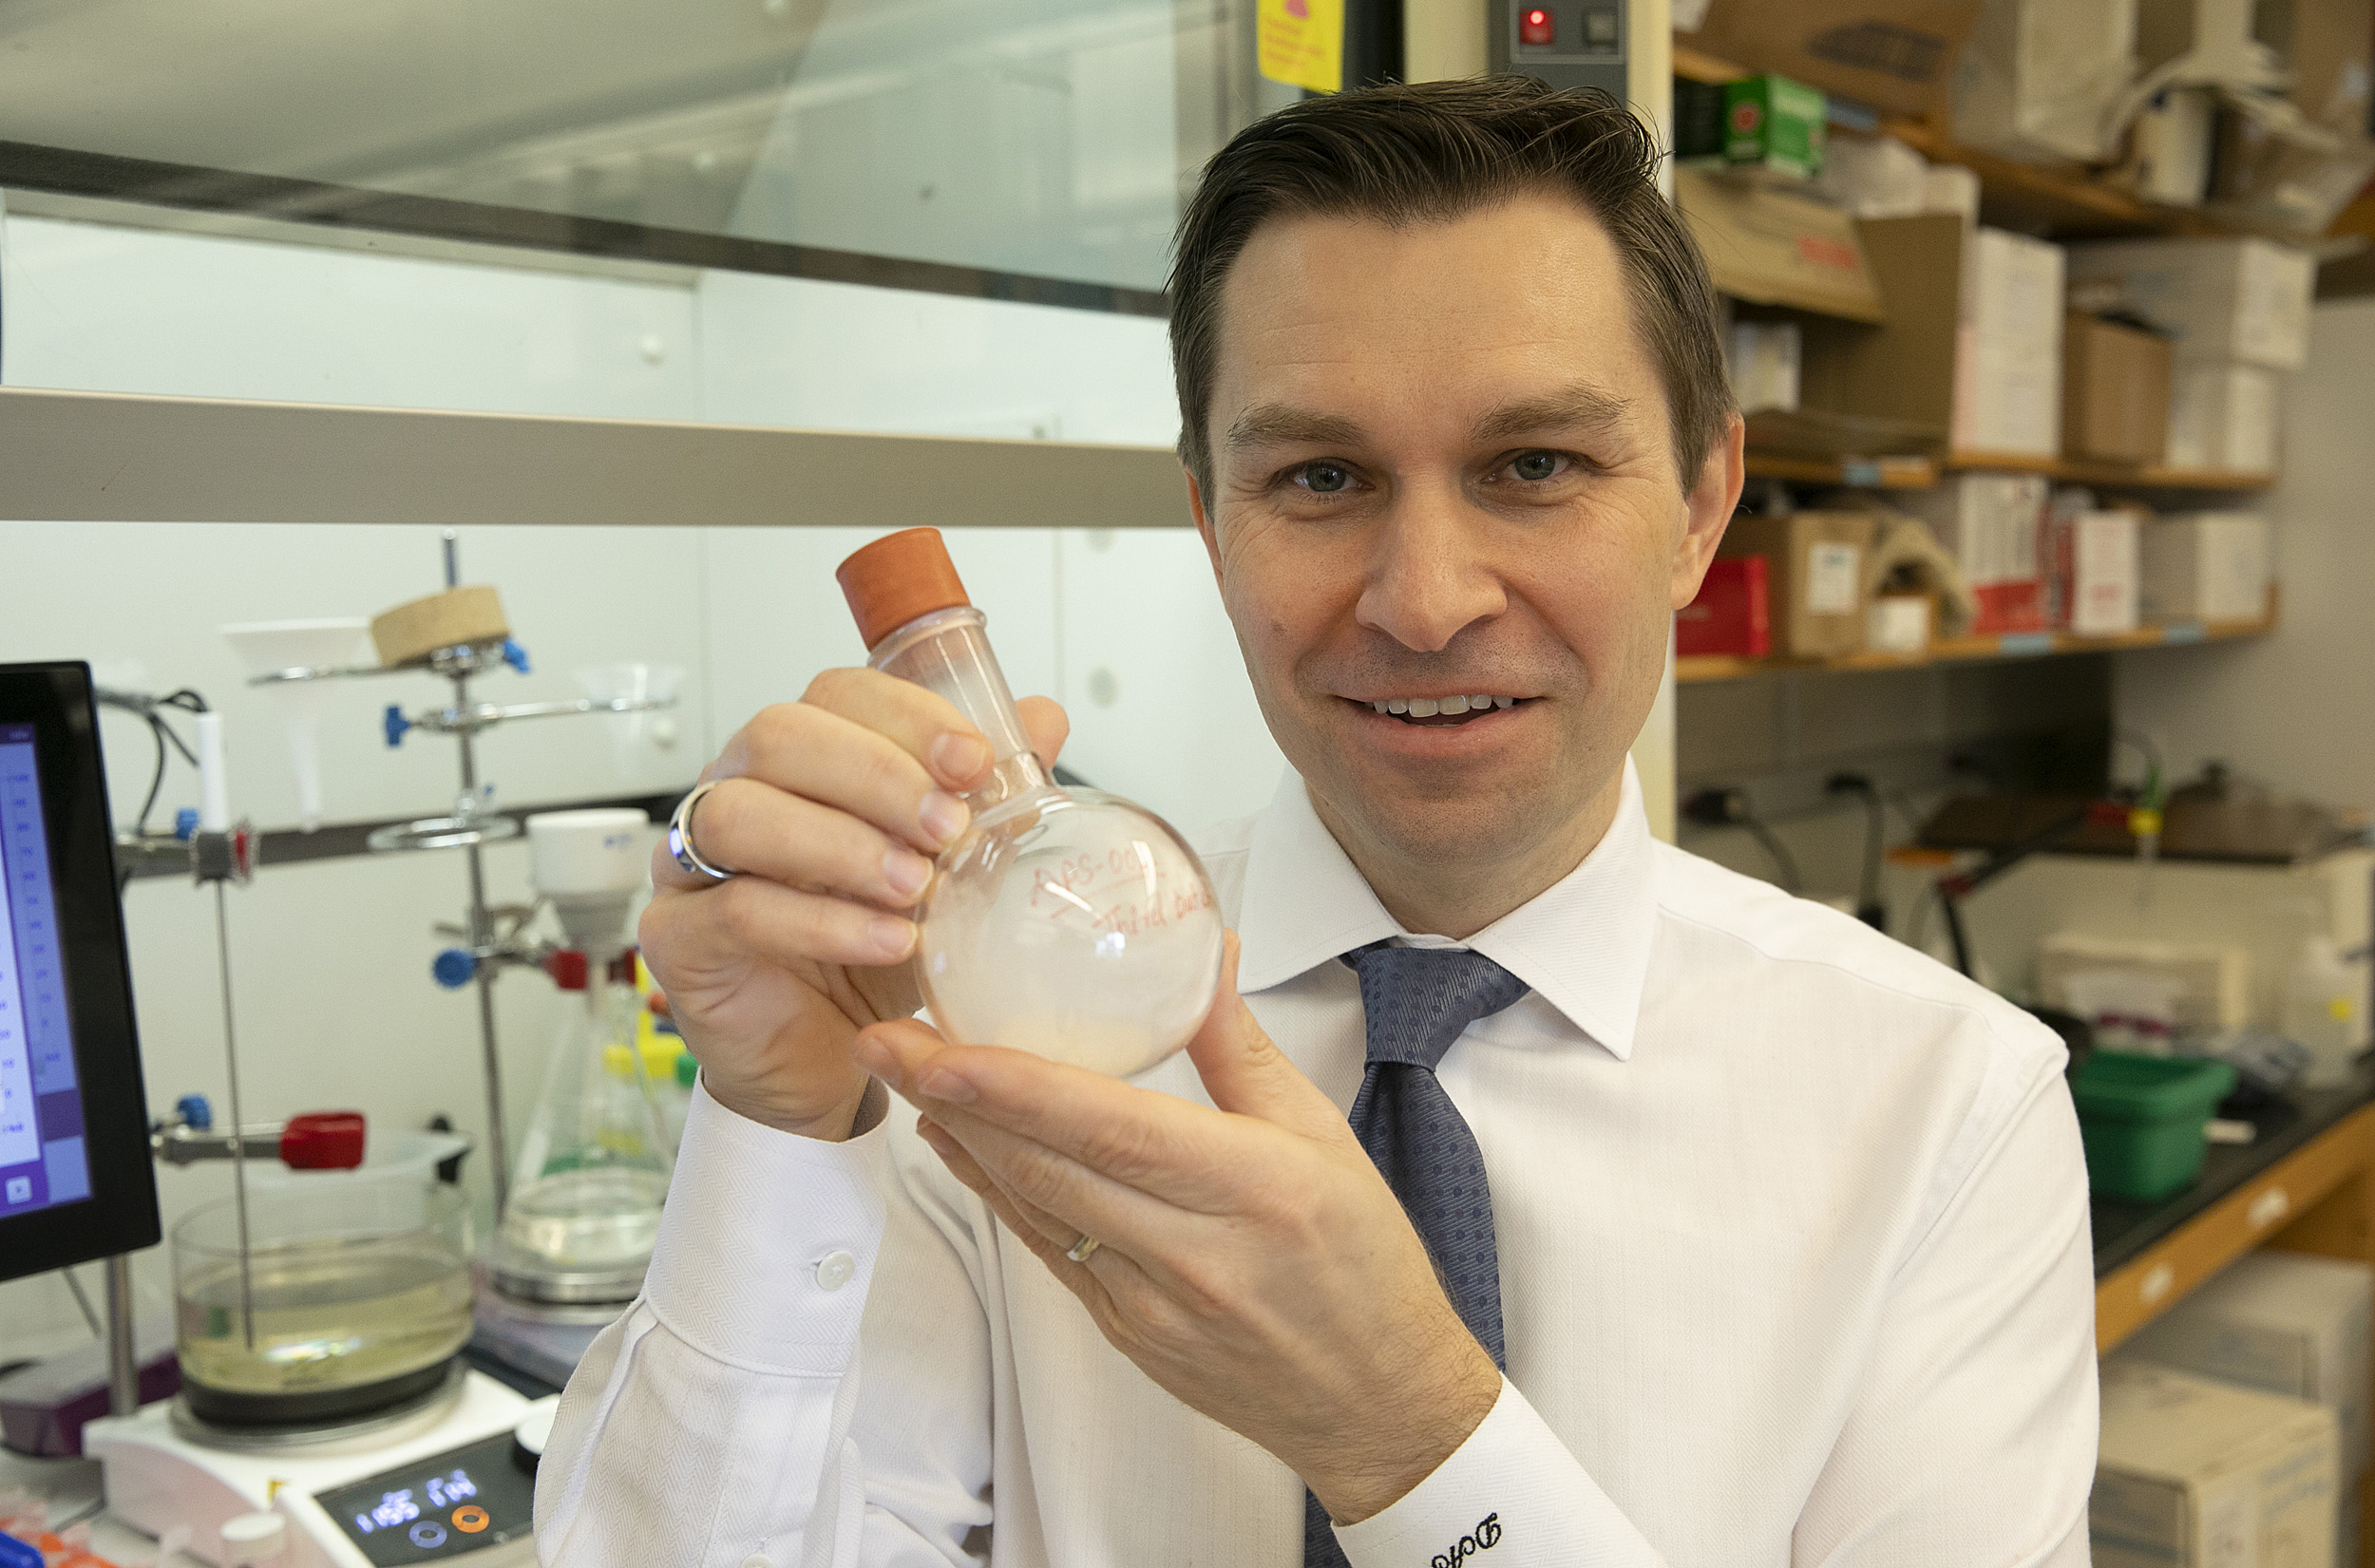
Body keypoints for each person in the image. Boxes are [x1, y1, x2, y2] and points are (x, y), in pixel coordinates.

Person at [535, 78, 2096, 1566]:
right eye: (1321, 476)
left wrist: (1408, 1434)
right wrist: (777, 1125)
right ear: (1212, 519)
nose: (1424, 602)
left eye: (1534, 464)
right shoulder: (989, 1035)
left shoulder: (1946, 1109)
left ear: (1699, 504)